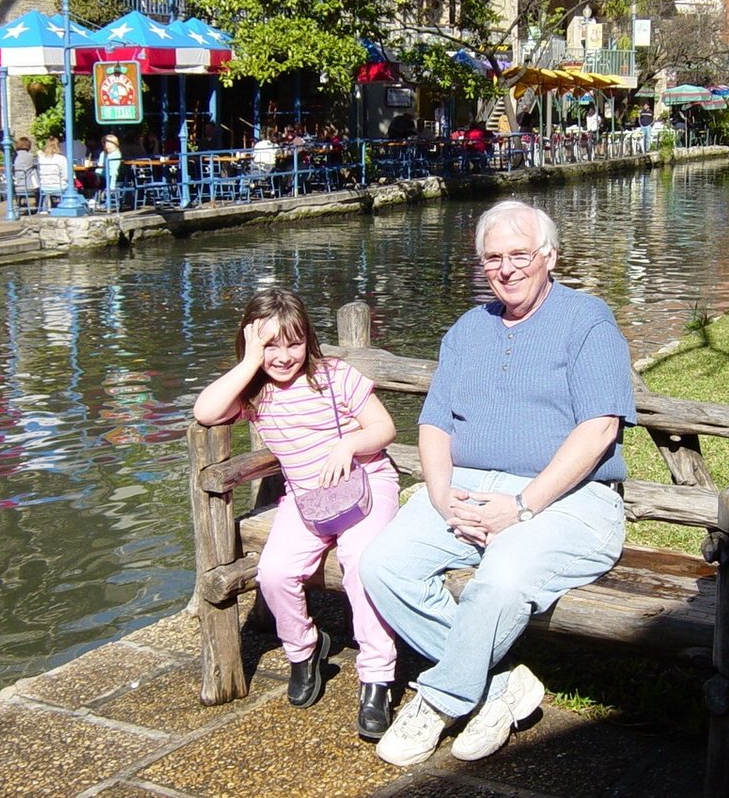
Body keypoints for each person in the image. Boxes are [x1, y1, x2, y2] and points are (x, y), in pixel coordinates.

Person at [361, 200, 635, 768]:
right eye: (493, 259)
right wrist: (440, 496)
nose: (506, 269)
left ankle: (439, 701)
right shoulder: (468, 329)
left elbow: (599, 427)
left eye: (519, 255)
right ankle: (500, 687)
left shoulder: (587, 320)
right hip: (465, 486)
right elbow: (435, 423)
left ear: (549, 257)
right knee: (382, 563)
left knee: (501, 579)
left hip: (570, 498)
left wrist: (523, 506)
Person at [193, 287, 400, 738]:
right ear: (251, 343)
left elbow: (384, 427)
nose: (284, 356)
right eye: (270, 345)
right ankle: (304, 652)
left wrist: (349, 443)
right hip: (306, 498)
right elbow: (205, 412)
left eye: (294, 342)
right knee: (274, 572)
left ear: (309, 340)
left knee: (361, 567)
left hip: (365, 486)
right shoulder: (255, 393)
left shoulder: (334, 376)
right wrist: (250, 363)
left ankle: (377, 677)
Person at [36, 136, 68, 205]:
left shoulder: (41, 159)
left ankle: (45, 207)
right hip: (59, 186)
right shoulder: (62, 158)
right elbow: (66, 176)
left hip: (44, 186)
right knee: (73, 187)